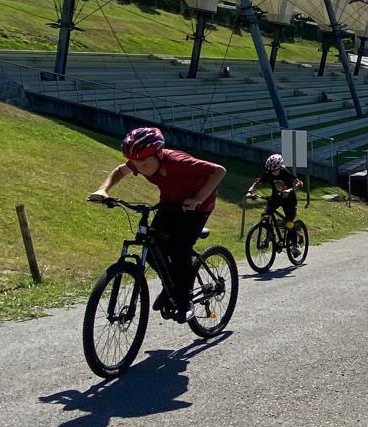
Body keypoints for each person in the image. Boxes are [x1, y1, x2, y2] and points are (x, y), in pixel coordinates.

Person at [89, 127, 225, 322]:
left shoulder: (179, 162)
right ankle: (171, 287)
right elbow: (120, 171)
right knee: (153, 248)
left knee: (180, 251)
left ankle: (185, 300)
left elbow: (219, 171)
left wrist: (198, 198)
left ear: (159, 153)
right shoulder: (141, 161)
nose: (140, 167)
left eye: (144, 163)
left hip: (197, 207)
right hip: (169, 204)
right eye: (136, 163)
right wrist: (103, 190)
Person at [246, 153, 303, 243]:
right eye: (270, 170)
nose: (273, 173)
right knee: (265, 215)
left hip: (289, 200)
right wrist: (250, 190)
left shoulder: (286, 173)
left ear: (280, 167)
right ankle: (270, 235)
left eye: (275, 170)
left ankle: (295, 245)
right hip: (276, 198)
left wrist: (289, 190)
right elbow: (258, 182)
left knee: (289, 223)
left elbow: (299, 183)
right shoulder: (270, 174)